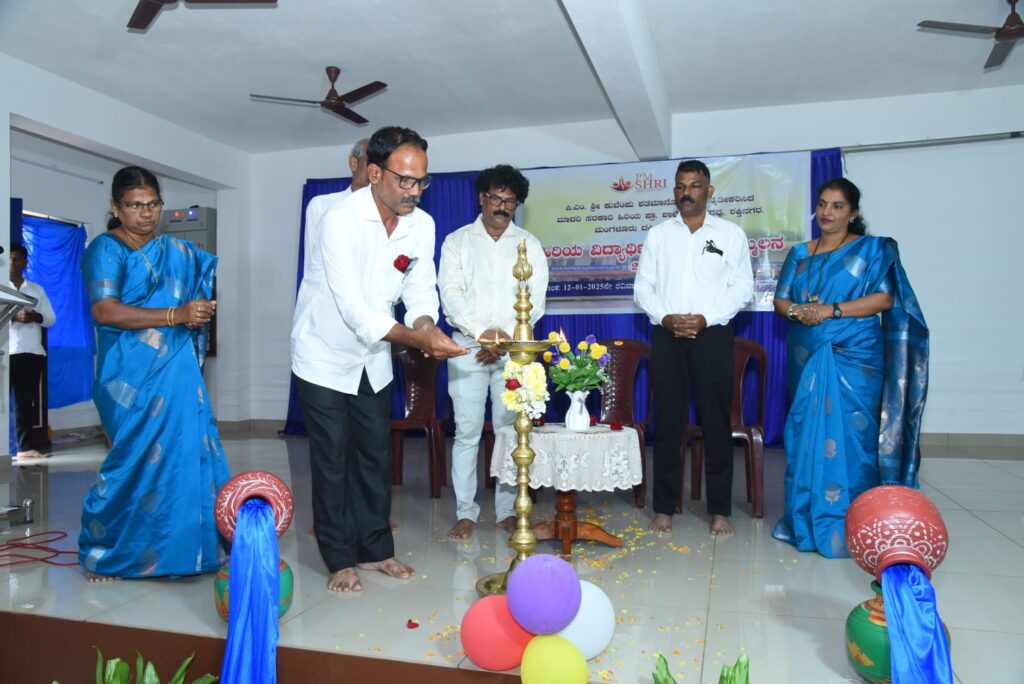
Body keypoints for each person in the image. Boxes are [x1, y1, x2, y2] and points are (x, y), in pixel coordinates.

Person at [291, 125, 467, 593]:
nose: (415, 191)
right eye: (405, 180)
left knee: (374, 455)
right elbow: (354, 309)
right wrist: (416, 339)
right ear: (374, 173)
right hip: (323, 355)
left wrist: (427, 326)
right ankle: (338, 559)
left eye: (422, 181)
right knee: (332, 458)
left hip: (373, 359)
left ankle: (375, 550)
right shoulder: (339, 219)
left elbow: (419, 289)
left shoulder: (421, 224)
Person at [78, 166, 228, 581]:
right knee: (130, 462)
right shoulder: (106, 249)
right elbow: (104, 310)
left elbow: (192, 297)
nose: (146, 214)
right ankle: (108, 551)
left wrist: (196, 312)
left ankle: (187, 550)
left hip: (175, 369)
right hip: (127, 375)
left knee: (184, 457)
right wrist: (175, 313)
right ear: (116, 207)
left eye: (153, 204)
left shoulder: (175, 250)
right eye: (135, 205)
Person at [771, 178, 928, 558]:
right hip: (807, 353)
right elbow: (781, 300)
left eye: (837, 206)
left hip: (856, 354)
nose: (827, 212)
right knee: (806, 433)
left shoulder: (872, 250)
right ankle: (804, 519)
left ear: (853, 212)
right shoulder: (799, 253)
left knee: (855, 436)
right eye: (822, 204)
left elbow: (885, 299)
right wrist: (799, 311)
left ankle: (859, 521)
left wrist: (830, 310)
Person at [634, 159, 753, 536]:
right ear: (674, 191)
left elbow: (742, 288)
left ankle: (719, 510)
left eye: (695, 185)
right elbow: (643, 288)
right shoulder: (658, 235)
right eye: (681, 186)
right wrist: (666, 317)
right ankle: (664, 508)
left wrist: (705, 318)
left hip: (712, 335)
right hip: (667, 335)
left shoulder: (730, 234)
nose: (687, 192)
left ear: (709, 191)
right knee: (668, 421)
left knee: (716, 423)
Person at [438, 164, 549, 540]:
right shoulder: (457, 241)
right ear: (481, 198)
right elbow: (450, 295)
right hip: (467, 347)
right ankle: (466, 512)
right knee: (467, 432)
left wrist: (502, 339)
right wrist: (482, 333)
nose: (502, 207)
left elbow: (536, 302)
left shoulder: (529, 244)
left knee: (509, 432)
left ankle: (506, 511)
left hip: (513, 350)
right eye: (495, 198)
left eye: (510, 201)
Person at [8, 242, 57, 460]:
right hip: (5, 352)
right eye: (9, 258)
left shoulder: (36, 289)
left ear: (25, 263)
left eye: (17, 259)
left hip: (30, 352)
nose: (12, 263)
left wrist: (35, 316)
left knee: (25, 403)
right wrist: (13, 317)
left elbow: (51, 319)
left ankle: (24, 448)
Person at [302, 138, 370, 276]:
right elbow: (311, 267)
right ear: (353, 163)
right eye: (371, 162)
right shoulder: (322, 205)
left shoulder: (390, 214)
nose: (376, 171)